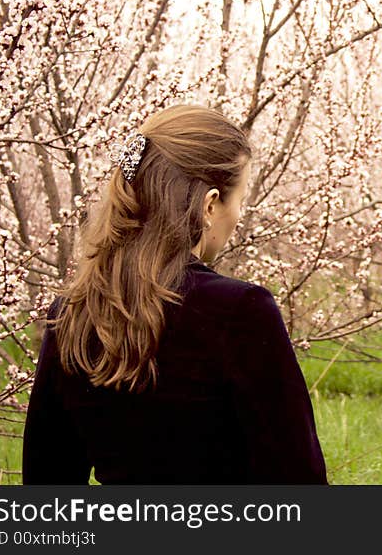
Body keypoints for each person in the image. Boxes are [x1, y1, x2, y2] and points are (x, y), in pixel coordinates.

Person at [22, 105, 327, 484]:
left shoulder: (73, 312)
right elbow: (297, 477)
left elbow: (46, 488)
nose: (238, 216)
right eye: (240, 198)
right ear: (210, 204)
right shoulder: (242, 311)